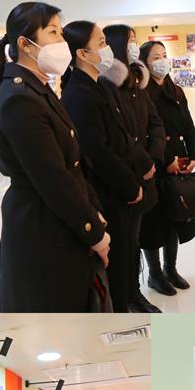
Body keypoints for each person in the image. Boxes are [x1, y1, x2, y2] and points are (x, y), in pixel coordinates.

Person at [0, 2, 111, 312]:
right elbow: (53, 179)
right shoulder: (20, 98)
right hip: (40, 227)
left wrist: (94, 210)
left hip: (57, 220)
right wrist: (93, 232)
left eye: (61, 33)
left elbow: (73, 164)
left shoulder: (38, 88)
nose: (61, 41)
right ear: (25, 44)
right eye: (53, 33)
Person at [61, 20, 146, 312]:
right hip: (107, 193)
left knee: (125, 259)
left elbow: (121, 137)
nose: (108, 49)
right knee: (116, 269)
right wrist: (130, 185)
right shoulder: (79, 94)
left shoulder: (97, 86)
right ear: (82, 54)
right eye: (101, 43)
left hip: (118, 189)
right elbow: (97, 152)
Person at [102, 23, 167, 313]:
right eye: (129, 40)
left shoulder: (137, 81)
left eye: (135, 39)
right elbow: (118, 138)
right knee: (122, 245)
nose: (133, 45)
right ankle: (123, 297)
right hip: (123, 178)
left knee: (134, 240)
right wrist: (141, 164)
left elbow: (155, 122)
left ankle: (134, 293)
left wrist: (153, 158)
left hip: (145, 173)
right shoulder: (107, 84)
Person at [139, 40, 195, 296]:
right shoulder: (141, 93)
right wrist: (166, 160)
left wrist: (194, 155)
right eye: (156, 57)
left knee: (175, 216)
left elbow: (188, 125)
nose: (162, 61)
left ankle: (171, 268)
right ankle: (155, 274)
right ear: (144, 62)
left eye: (164, 55)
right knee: (154, 221)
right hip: (156, 163)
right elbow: (146, 133)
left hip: (180, 160)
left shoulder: (175, 91)